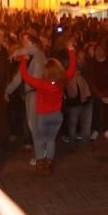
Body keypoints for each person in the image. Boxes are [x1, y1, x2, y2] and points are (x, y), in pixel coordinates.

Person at [19, 40, 76, 173]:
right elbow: (72, 68)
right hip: (57, 115)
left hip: (42, 116)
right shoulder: (62, 80)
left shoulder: (41, 84)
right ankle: (49, 164)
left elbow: (25, 76)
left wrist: (24, 60)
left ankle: (40, 164)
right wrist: (71, 50)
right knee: (51, 140)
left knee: (39, 140)